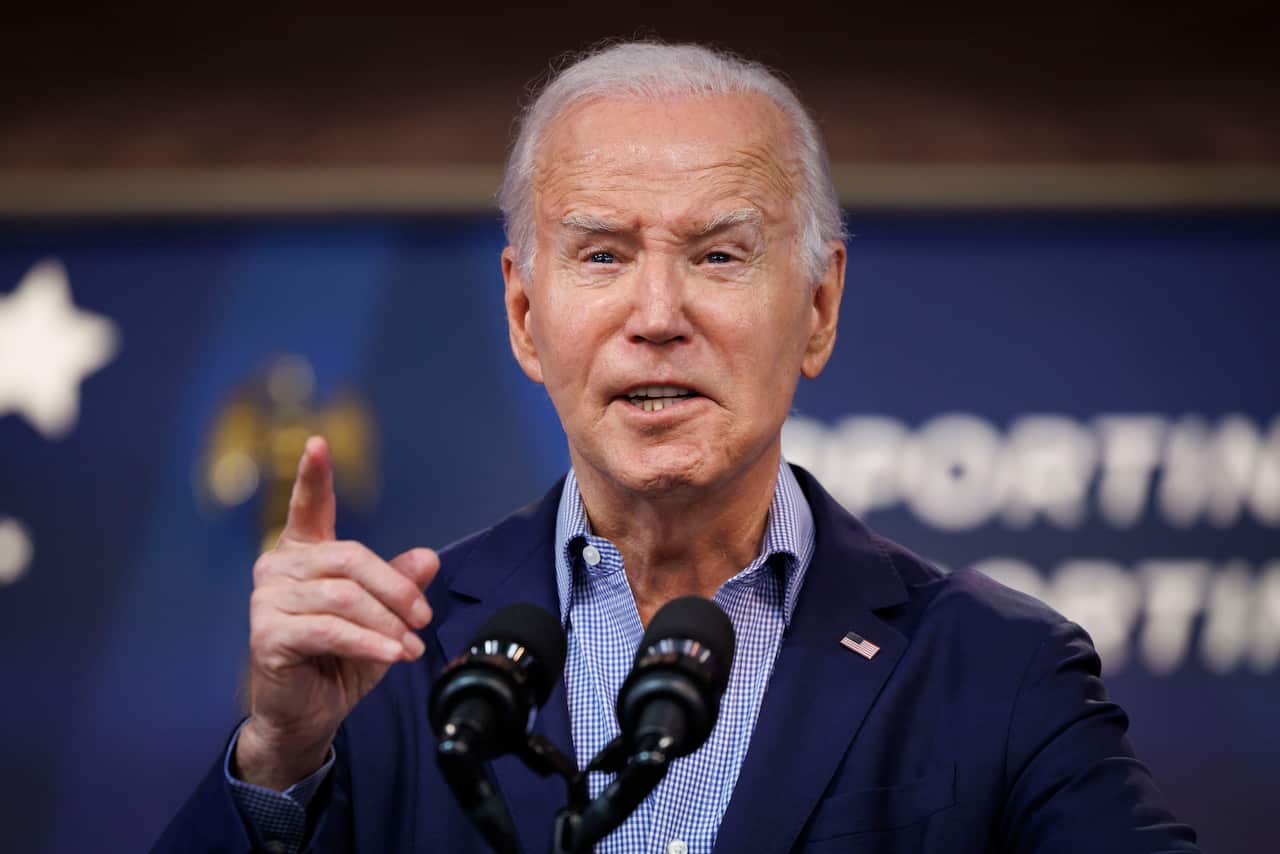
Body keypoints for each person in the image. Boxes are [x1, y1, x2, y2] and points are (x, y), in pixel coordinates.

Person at [155, 41, 1199, 853]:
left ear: (819, 308)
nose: (657, 315)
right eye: (602, 255)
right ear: (524, 315)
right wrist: (280, 754)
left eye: (719, 255)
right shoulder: (389, 663)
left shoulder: (997, 666)